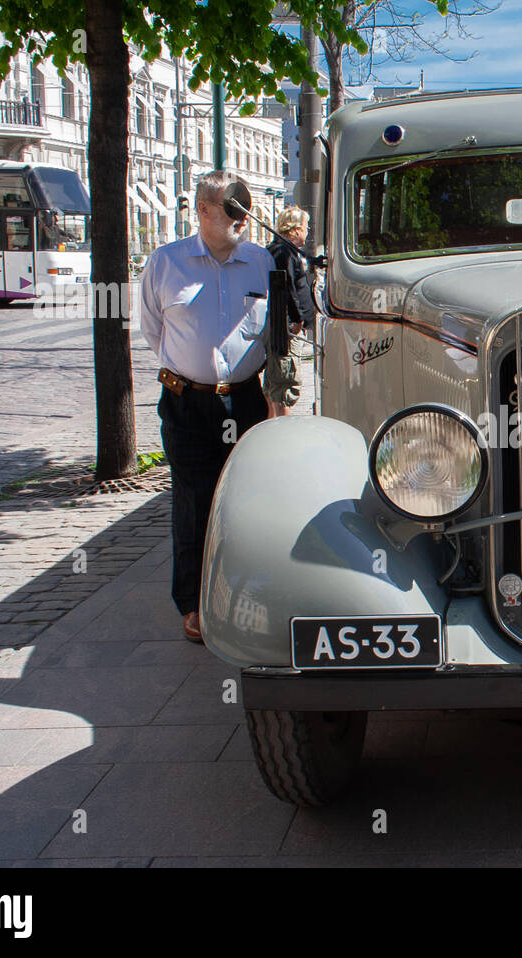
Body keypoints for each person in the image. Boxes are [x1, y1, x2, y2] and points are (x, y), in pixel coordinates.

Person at [140, 170, 299, 642]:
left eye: (244, 210)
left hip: (245, 400)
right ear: (203, 211)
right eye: (231, 209)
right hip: (187, 402)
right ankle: (193, 603)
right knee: (193, 500)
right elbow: (153, 330)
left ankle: (249, 593)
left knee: (248, 500)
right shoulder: (167, 263)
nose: (242, 219)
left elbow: (277, 335)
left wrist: (277, 400)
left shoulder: (259, 262)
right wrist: (193, 371)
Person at [266, 207, 316, 417]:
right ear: (295, 229)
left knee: (277, 381)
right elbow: (286, 288)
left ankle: (271, 428)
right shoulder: (282, 251)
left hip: (284, 325)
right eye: (305, 227)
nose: (307, 232)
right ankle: (282, 429)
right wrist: (296, 319)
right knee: (284, 382)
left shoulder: (284, 250)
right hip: (286, 328)